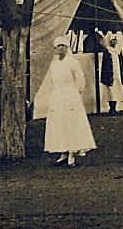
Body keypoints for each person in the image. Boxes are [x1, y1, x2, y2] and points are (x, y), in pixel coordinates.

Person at [38, 36, 96, 167]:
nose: (60, 48)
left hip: (71, 96)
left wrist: (75, 94)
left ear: (67, 47)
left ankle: (72, 153)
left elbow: (80, 81)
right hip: (57, 96)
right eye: (58, 46)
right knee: (59, 123)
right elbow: (53, 81)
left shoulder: (73, 62)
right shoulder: (54, 64)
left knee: (71, 123)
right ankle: (63, 152)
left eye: (63, 46)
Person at [99, 31, 123, 115]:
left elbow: (122, 63)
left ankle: (115, 108)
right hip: (110, 75)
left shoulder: (118, 51)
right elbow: (105, 65)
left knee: (116, 91)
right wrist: (105, 76)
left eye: (115, 40)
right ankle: (111, 108)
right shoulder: (107, 51)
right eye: (112, 40)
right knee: (110, 93)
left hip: (117, 74)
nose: (114, 42)